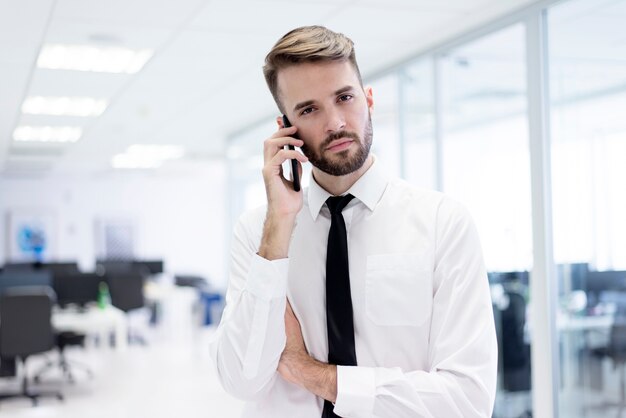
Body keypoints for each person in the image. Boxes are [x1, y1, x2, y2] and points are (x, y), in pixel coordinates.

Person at [210, 25, 497, 417]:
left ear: (369, 100)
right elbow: (241, 379)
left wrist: (309, 372)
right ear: (285, 129)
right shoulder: (258, 234)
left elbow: (467, 400)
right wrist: (278, 226)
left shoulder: (442, 223)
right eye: (309, 109)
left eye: (344, 98)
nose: (336, 123)